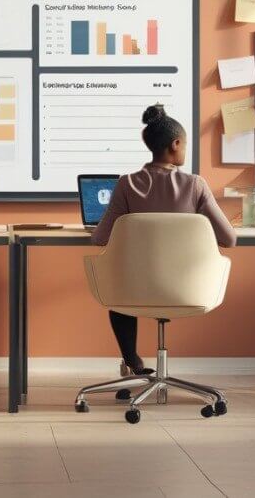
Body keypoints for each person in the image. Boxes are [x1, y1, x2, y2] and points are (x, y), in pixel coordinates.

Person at [91, 105, 237, 377]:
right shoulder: (195, 185)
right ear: (176, 144)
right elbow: (229, 239)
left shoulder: (126, 184)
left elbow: (99, 238)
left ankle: (133, 362)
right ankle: (137, 364)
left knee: (119, 288)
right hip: (187, 289)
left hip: (133, 291)